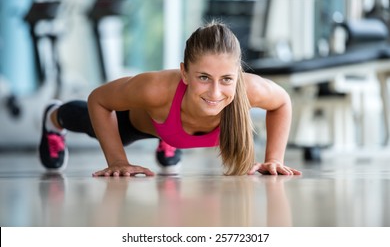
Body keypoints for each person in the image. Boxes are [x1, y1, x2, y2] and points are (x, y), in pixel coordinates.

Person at [39, 21, 302, 177]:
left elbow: (282, 102)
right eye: (203, 77)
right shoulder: (155, 89)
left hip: (174, 130)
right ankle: (54, 117)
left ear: (238, 75)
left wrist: (274, 159)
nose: (215, 92)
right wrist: (118, 160)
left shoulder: (249, 89)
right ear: (184, 73)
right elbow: (99, 99)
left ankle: (170, 142)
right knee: (93, 124)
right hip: (141, 123)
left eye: (226, 79)